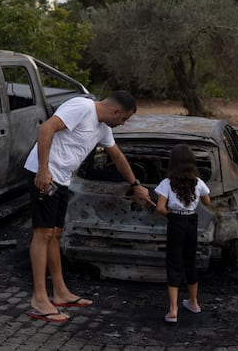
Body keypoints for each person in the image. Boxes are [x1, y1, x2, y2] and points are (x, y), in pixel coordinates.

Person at [24, 90, 154, 322]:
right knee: (42, 233)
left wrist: (135, 184)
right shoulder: (81, 108)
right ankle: (39, 298)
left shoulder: (103, 128)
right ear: (115, 111)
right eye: (124, 119)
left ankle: (60, 292)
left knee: (54, 234)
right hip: (43, 174)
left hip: (61, 179)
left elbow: (117, 156)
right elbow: (46, 128)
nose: (123, 124)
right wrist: (43, 169)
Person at [154, 144, 212, 323]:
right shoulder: (198, 182)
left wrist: (171, 214)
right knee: (190, 261)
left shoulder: (167, 184)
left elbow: (160, 208)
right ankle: (193, 302)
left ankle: (173, 310)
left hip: (176, 222)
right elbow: (207, 202)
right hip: (191, 222)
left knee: (174, 263)